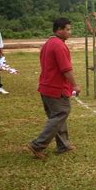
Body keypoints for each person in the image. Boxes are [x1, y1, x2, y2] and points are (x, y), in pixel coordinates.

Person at [27, 18, 81, 159]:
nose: (70, 32)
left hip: (46, 87)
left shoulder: (48, 44)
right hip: (55, 88)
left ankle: (63, 145)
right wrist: (75, 85)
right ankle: (37, 144)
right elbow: (66, 69)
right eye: (68, 29)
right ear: (59, 30)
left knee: (57, 116)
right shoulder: (59, 45)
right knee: (60, 114)